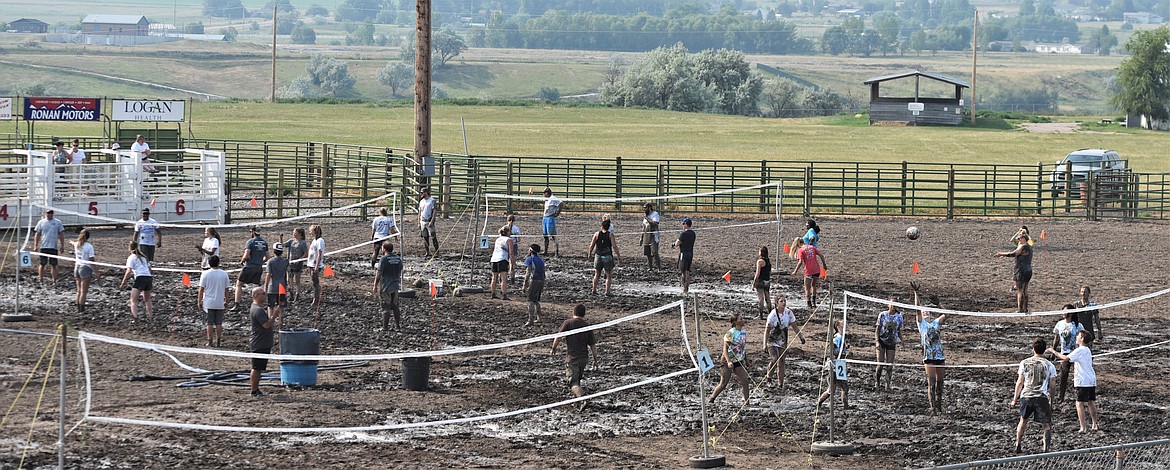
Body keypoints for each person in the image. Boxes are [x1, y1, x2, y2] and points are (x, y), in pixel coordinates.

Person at [1048, 330, 1100, 433]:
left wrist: (1053, 351)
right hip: (1090, 379)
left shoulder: (1080, 350)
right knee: (1091, 401)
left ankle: (1083, 427)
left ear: (1082, 339)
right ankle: (1094, 424)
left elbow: (1066, 358)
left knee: (1079, 403)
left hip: (1082, 380)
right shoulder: (1087, 350)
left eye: (1078, 336)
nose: (1076, 337)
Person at [1011, 338, 1058, 453]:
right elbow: (1052, 386)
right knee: (1046, 424)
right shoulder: (1049, 365)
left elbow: (1020, 382)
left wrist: (1014, 399)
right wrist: (1051, 401)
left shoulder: (1024, 362)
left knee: (1023, 420)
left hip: (1026, 395)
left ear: (1033, 349)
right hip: (1041, 396)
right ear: (1044, 350)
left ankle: (1018, 442)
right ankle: (1046, 448)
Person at [551, 304, 599, 411]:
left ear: (574, 312)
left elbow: (558, 336)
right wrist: (595, 360)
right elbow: (592, 345)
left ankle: (583, 399)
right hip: (584, 358)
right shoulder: (587, 326)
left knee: (573, 383)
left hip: (573, 358)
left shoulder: (568, 323)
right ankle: (577, 402)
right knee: (577, 380)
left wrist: (554, 347)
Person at [913, 282, 947, 414]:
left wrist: (939, 304)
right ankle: (932, 407)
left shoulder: (935, 323)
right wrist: (917, 294)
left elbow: (946, 315)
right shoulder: (922, 325)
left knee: (940, 384)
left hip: (939, 356)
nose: (925, 312)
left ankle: (939, 406)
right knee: (931, 383)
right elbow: (917, 309)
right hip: (928, 357)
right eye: (924, 311)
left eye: (928, 311)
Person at [708, 315, 751, 406]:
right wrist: (728, 361)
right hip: (727, 361)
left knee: (745, 381)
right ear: (735, 322)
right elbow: (725, 349)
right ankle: (711, 399)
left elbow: (742, 348)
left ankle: (747, 402)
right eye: (741, 319)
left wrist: (746, 360)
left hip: (738, 361)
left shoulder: (743, 332)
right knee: (723, 383)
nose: (743, 320)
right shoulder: (730, 333)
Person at [763, 297, 804, 390]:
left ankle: (780, 384)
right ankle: (768, 378)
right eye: (781, 301)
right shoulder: (772, 315)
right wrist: (764, 344)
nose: (784, 303)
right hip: (772, 339)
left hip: (783, 340)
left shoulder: (789, 313)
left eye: (785, 301)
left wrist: (801, 337)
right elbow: (767, 330)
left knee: (781, 362)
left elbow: (794, 326)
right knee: (774, 358)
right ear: (777, 303)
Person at [248, 286, 279, 397]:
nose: (265, 296)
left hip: (262, 342)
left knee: (259, 368)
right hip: (259, 343)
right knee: (256, 368)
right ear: (256, 295)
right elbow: (266, 325)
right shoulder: (258, 310)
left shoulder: (257, 308)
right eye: (263, 294)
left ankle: (256, 389)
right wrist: (275, 315)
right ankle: (254, 390)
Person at [995, 226, 1034, 313]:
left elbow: (1013, 254)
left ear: (1024, 238)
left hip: (1021, 271)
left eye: (1020, 238)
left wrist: (1001, 253)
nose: (1018, 239)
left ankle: (1020, 310)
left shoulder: (1024, 246)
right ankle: (1025, 309)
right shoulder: (1029, 246)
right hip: (1028, 270)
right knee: (1025, 290)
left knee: (1020, 291)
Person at [816, 320, 851, 410]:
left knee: (832, 389)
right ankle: (846, 407)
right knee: (843, 387)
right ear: (838, 326)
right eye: (843, 324)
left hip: (838, 364)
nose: (845, 325)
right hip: (836, 364)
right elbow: (831, 350)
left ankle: (819, 402)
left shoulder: (840, 337)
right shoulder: (838, 337)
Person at [1051, 306, 1081, 407]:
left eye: (1066, 311)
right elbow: (1057, 338)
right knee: (1063, 374)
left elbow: (1083, 338)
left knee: (1079, 374)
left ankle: (1080, 395)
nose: (1063, 313)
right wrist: (1054, 351)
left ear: (1071, 313)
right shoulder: (1060, 324)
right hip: (1065, 353)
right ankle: (1061, 396)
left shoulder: (1078, 325)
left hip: (1076, 353)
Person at [197, 256, 230, 347]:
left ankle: (210, 340)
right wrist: (226, 301)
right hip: (219, 302)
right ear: (218, 262)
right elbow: (227, 290)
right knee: (219, 323)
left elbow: (201, 289)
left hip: (208, 302)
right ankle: (218, 340)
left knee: (209, 323)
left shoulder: (205, 274)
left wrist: (199, 301)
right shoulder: (224, 274)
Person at [875, 298, 906, 392]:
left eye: (895, 304)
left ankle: (887, 385)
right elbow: (877, 329)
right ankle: (877, 382)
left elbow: (899, 330)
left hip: (892, 342)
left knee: (889, 366)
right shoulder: (883, 314)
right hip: (882, 340)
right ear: (888, 305)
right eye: (891, 304)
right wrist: (877, 341)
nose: (893, 305)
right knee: (880, 364)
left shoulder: (899, 316)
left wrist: (902, 340)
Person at [234, 226, 269, 307]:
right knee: (255, 286)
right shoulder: (264, 243)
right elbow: (267, 257)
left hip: (249, 266)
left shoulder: (250, 242)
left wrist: (242, 260)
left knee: (239, 284)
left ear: (253, 232)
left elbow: (246, 255)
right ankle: (256, 304)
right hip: (258, 267)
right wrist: (260, 262)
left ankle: (237, 304)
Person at [119, 241, 154, 321]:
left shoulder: (131, 257)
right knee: (147, 299)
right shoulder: (143, 257)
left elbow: (128, 271)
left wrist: (123, 282)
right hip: (148, 277)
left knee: (133, 300)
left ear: (129, 248)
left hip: (140, 278)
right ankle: (150, 317)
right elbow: (150, 269)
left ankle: (135, 318)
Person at [789, 237, 828, 309]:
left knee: (807, 287)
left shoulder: (801, 250)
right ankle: (814, 302)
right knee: (813, 285)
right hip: (816, 269)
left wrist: (795, 271)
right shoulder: (812, 247)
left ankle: (809, 303)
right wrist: (824, 265)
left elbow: (800, 262)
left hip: (808, 271)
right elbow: (821, 255)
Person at [373, 242, 404, 331]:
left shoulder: (384, 259)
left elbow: (379, 273)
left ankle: (385, 327)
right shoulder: (398, 258)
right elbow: (400, 269)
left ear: (384, 249)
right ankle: (397, 326)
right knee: (395, 306)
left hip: (386, 285)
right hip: (395, 285)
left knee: (385, 306)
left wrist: (375, 284)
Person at [587, 219, 619, 296]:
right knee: (608, 275)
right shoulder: (611, 235)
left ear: (601, 226)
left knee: (597, 274)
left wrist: (589, 254)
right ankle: (607, 292)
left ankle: (594, 290)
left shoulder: (597, 234)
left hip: (598, 256)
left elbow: (592, 245)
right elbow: (614, 246)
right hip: (607, 256)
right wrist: (618, 255)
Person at [33, 209, 65, 285]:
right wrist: (35, 245)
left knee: (54, 264)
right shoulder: (41, 222)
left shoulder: (58, 222)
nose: (49, 214)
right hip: (44, 246)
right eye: (48, 213)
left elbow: (61, 234)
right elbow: (37, 234)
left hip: (53, 247)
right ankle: (40, 279)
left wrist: (62, 245)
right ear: (45, 213)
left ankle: (54, 280)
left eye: (51, 213)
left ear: (53, 214)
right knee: (42, 264)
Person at [73, 229, 98, 312]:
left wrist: (70, 242)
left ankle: (78, 308)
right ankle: (81, 309)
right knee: (83, 292)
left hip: (77, 267)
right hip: (85, 268)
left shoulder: (77, 244)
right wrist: (96, 271)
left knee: (79, 290)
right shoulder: (89, 246)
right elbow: (91, 259)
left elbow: (74, 243)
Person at [264, 243, 290, 321]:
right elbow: (288, 273)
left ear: (274, 251)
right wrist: (288, 284)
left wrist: (265, 286)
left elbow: (268, 274)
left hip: (272, 287)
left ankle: (270, 319)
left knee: (271, 305)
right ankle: (280, 320)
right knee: (281, 305)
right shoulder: (285, 261)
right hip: (282, 286)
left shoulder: (270, 261)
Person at [522, 244, 546, 327]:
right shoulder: (541, 260)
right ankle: (539, 318)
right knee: (536, 300)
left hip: (534, 280)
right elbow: (543, 272)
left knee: (530, 300)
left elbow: (528, 273)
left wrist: (524, 285)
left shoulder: (530, 259)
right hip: (541, 280)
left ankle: (530, 319)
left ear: (531, 251)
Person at [488, 226, 513, 300]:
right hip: (502, 259)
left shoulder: (498, 239)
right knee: (503, 278)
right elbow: (511, 253)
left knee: (494, 277)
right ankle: (504, 294)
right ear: (507, 232)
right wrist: (512, 263)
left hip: (494, 259)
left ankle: (493, 293)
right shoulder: (509, 240)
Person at [673, 218, 696, 295]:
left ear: (686, 225)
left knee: (683, 272)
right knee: (687, 271)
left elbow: (677, 243)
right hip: (690, 253)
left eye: (683, 224)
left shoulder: (683, 234)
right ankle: (687, 288)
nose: (682, 226)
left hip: (684, 253)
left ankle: (684, 288)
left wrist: (673, 244)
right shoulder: (693, 233)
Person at [284, 228, 308, 302]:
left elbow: (306, 253)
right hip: (290, 263)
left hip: (297, 264)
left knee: (297, 280)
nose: (294, 234)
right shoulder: (291, 241)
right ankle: (291, 293)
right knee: (289, 279)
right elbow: (282, 245)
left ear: (300, 234)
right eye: (293, 233)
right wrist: (280, 238)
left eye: (295, 233)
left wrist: (299, 259)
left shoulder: (303, 243)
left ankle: (297, 295)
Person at [306, 224, 325, 309]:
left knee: (315, 282)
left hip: (315, 265)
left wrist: (316, 266)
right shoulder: (314, 241)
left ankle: (316, 299)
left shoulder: (320, 241)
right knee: (314, 282)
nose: (310, 232)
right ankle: (316, 297)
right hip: (311, 264)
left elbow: (319, 253)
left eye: (311, 230)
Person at [752, 246, 773, 319]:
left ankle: (760, 315)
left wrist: (754, 283)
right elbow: (769, 272)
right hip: (767, 281)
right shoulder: (768, 261)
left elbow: (757, 273)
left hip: (760, 281)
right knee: (768, 298)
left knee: (761, 298)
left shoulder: (760, 261)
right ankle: (770, 314)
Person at [541, 188, 562, 257]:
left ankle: (556, 252)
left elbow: (561, 204)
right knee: (545, 236)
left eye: (544, 193)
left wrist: (557, 213)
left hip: (550, 218)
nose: (543, 194)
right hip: (545, 218)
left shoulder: (553, 198)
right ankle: (545, 251)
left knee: (553, 235)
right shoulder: (547, 199)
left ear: (547, 193)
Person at [418, 187, 439, 256]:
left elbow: (434, 211)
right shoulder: (421, 201)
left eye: (422, 193)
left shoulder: (432, 200)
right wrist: (419, 222)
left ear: (426, 193)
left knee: (433, 237)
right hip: (423, 221)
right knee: (425, 237)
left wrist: (432, 221)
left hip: (429, 220)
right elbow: (420, 212)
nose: (421, 194)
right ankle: (427, 252)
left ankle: (437, 252)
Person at [640, 203, 661, 269]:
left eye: (645, 208)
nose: (644, 209)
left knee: (655, 252)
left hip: (653, 236)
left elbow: (654, 224)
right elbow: (644, 227)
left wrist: (647, 218)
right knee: (648, 253)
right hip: (646, 236)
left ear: (649, 208)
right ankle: (650, 267)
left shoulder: (655, 214)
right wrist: (641, 237)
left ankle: (659, 267)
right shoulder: (646, 216)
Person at [504, 214, 522, 284]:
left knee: (505, 263)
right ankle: (512, 279)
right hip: (513, 246)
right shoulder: (516, 229)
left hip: (506, 246)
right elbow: (518, 240)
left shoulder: (504, 228)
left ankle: (503, 278)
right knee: (512, 263)